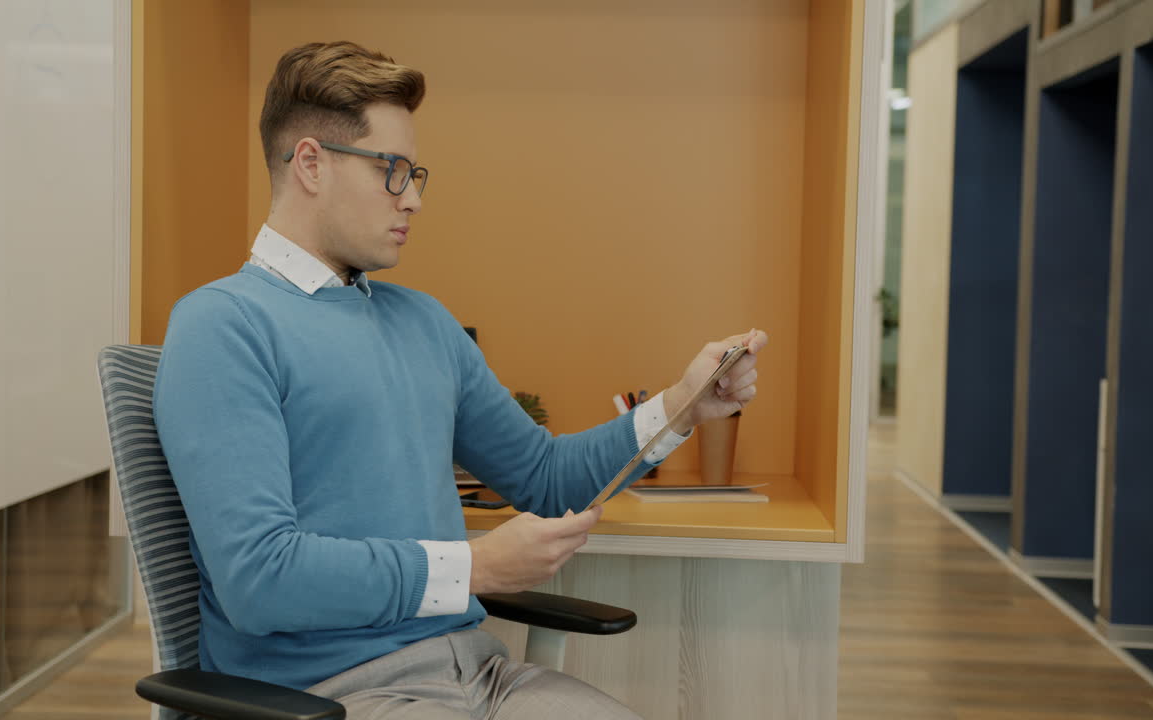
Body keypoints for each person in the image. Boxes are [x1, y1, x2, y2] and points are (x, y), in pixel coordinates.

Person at [153, 40, 768, 719]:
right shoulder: (223, 326)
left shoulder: (422, 321)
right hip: (329, 696)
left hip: (479, 674)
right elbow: (259, 579)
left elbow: (545, 476)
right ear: (311, 163)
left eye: (416, 174)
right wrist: (471, 568)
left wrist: (681, 406)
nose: (412, 198)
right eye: (392, 170)